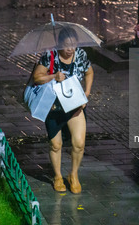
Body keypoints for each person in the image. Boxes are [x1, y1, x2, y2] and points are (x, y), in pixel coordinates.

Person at [33, 27, 94, 194]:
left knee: (79, 143)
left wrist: (86, 94)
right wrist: (53, 76)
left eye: (74, 44)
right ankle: (58, 176)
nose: (70, 49)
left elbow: (89, 72)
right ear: (59, 44)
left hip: (74, 105)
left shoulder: (80, 55)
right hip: (54, 108)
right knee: (55, 144)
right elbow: (37, 77)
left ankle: (73, 175)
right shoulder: (50, 56)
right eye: (67, 45)